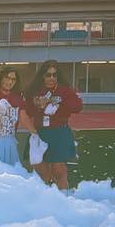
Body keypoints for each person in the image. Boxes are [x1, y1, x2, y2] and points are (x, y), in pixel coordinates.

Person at [24, 59, 83, 190]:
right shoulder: (35, 90)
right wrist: (37, 104)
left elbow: (78, 107)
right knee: (40, 168)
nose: (51, 78)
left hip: (59, 133)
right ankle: (48, 193)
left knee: (58, 169)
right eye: (48, 75)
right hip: (40, 132)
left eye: (54, 75)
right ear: (42, 76)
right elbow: (27, 111)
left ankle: (63, 195)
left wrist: (59, 102)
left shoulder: (65, 90)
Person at [0, 65, 26, 166]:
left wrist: (34, 132)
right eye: (7, 78)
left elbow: (24, 117)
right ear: (0, 77)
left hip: (9, 143)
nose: (10, 82)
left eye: (13, 79)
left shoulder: (18, 98)